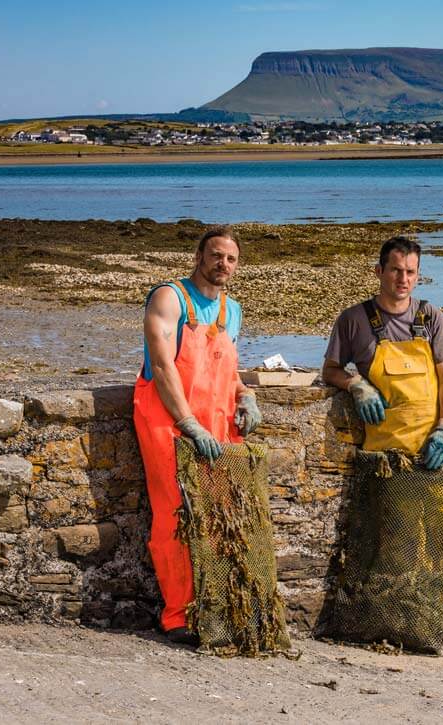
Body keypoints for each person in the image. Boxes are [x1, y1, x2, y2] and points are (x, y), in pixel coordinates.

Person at [321, 235, 443, 652]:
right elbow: (331, 370)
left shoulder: (431, 318)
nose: (403, 279)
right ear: (379, 272)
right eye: (395, 270)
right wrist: (356, 384)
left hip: (437, 447)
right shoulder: (354, 321)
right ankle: (402, 618)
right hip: (389, 453)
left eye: (411, 272)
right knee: (395, 538)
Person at [132, 226, 262, 646]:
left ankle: (215, 606)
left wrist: (246, 396)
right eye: (216, 255)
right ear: (198, 256)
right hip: (168, 421)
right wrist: (187, 422)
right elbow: (163, 363)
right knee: (175, 515)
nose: (223, 264)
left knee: (220, 516)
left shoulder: (232, 310)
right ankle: (177, 616)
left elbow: (230, 367)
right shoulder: (170, 298)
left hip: (218, 425)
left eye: (231, 259)